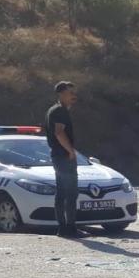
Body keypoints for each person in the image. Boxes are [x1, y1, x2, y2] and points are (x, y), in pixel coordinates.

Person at [45, 81, 80, 237]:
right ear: (61, 94)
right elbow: (59, 132)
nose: (74, 95)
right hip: (63, 157)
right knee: (70, 193)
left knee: (61, 193)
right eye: (70, 92)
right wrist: (70, 151)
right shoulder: (59, 111)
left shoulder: (56, 110)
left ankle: (63, 228)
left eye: (74, 92)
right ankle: (70, 228)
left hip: (58, 156)